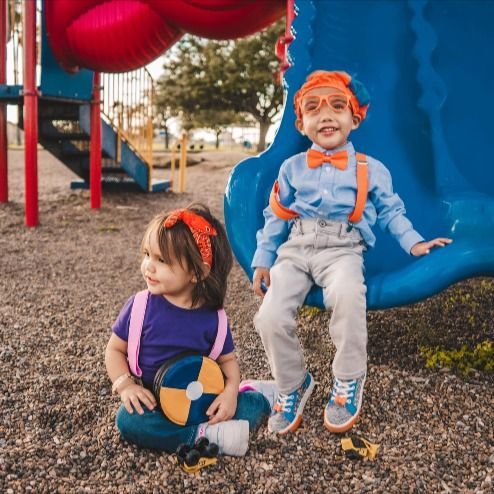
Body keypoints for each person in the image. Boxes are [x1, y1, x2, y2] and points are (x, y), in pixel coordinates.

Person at [251, 71, 452, 435]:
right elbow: (276, 215)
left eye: (337, 106)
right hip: (296, 248)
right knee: (269, 316)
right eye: (313, 108)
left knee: (347, 297)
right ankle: (293, 382)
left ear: (354, 118)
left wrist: (415, 242)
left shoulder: (370, 170)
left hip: (343, 249)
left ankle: (348, 379)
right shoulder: (292, 168)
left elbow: (392, 212)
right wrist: (264, 258)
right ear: (301, 123)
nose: (325, 115)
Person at [105, 203, 278, 456]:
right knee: (128, 420)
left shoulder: (213, 318)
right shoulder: (140, 306)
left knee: (246, 411)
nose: (148, 266)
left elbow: (227, 361)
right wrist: (125, 386)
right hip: (156, 404)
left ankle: (258, 395)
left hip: (202, 403)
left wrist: (230, 393)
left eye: (161, 260)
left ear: (197, 273)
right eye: (147, 255)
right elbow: (114, 350)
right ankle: (202, 435)